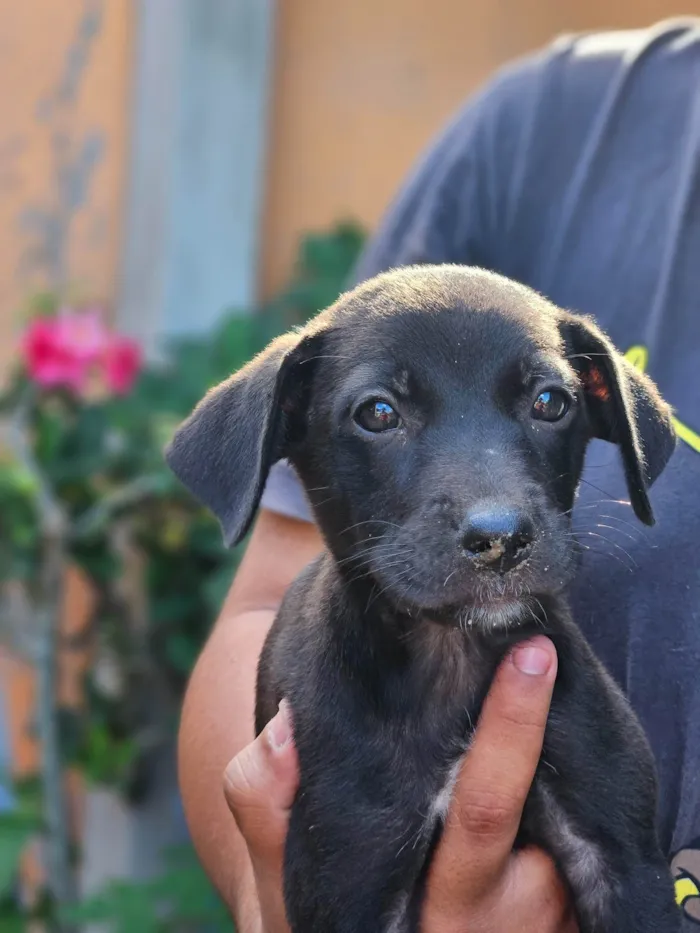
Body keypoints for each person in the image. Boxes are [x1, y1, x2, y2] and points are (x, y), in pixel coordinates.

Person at [178, 18, 700, 932]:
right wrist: (274, 896)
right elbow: (260, 609)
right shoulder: (545, 135)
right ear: (286, 434)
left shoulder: (583, 715)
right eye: (380, 415)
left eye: (545, 405)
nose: (493, 512)